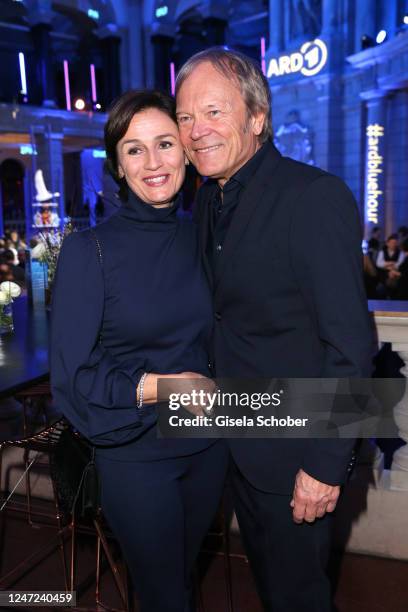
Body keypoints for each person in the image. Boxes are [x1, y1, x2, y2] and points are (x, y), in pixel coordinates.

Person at [176, 47, 373, 612]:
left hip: (295, 459)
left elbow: (351, 346)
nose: (196, 131)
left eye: (213, 112)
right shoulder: (207, 201)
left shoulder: (312, 197)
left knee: (299, 600)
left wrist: (324, 464)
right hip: (235, 445)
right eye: (186, 118)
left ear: (257, 117)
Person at [50, 89, 228, 612]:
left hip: (207, 443)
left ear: (186, 154)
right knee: (166, 594)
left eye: (165, 143)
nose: (153, 162)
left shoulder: (202, 236)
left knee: (179, 580)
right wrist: (160, 387)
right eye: (134, 149)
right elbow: (74, 377)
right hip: (136, 448)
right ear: (118, 168)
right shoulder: (90, 251)